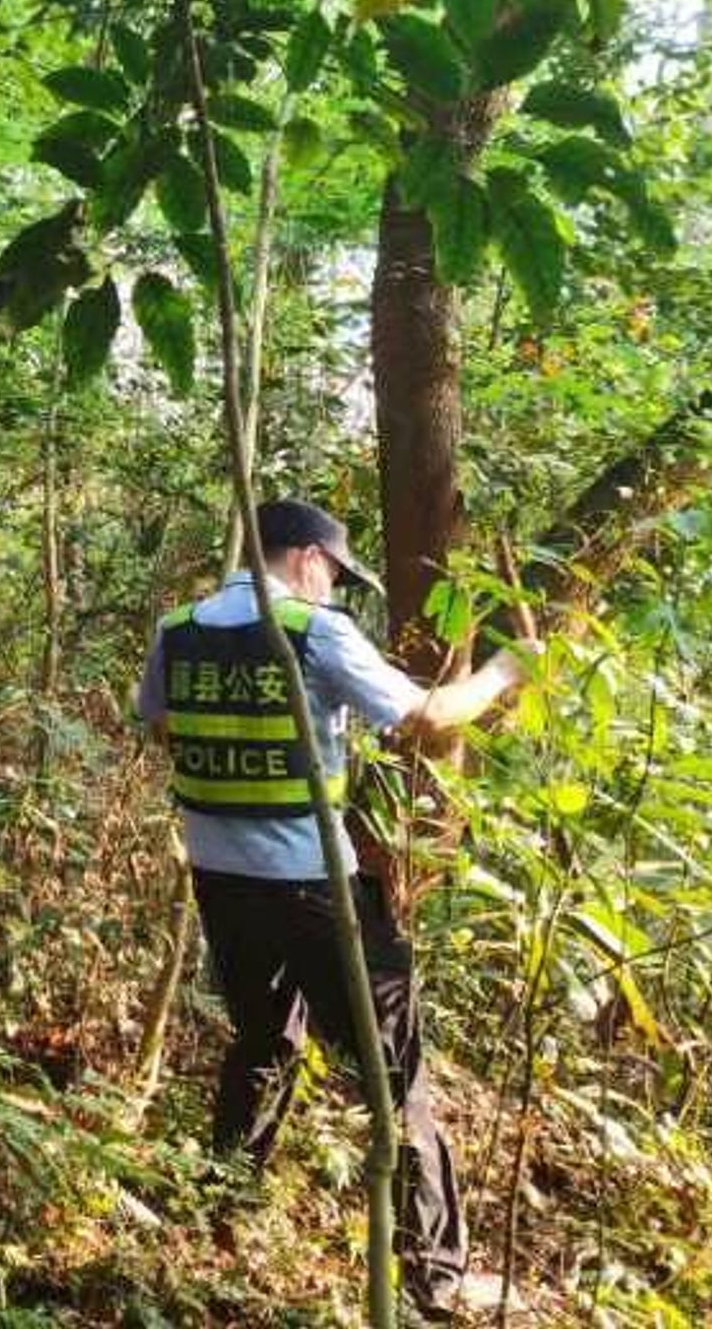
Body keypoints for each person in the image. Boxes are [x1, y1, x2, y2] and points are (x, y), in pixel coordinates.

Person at [136, 499, 536, 1322]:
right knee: (396, 1075)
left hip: (219, 877)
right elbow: (425, 719)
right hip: (314, 887)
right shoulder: (313, 630)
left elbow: (164, 727)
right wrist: (503, 673)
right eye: (334, 573)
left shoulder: (177, 627)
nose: (333, 587)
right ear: (311, 560)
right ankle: (434, 1276)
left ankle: (222, 1214)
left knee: (262, 1038)